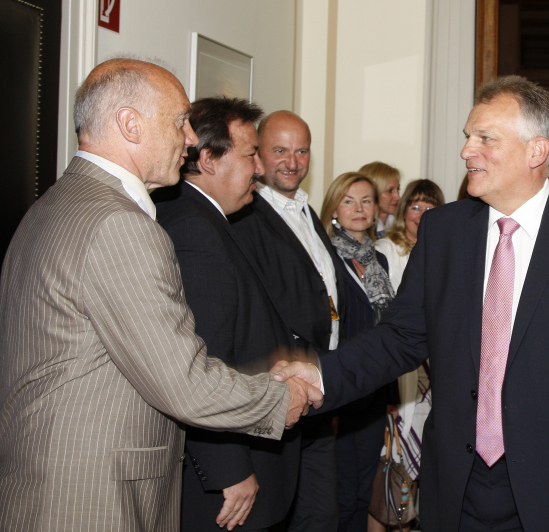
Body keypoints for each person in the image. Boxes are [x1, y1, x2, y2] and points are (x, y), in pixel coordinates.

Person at [277, 75, 549, 531]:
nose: (467, 151)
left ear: (536, 151)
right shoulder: (445, 231)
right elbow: (400, 338)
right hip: (457, 486)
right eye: (468, 137)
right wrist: (319, 374)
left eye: (485, 138)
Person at [0, 58, 320, 531]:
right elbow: (183, 382)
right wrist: (279, 400)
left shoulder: (58, 203)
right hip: (92, 496)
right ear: (129, 124)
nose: (191, 139)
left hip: (51, 480)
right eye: (178, 122)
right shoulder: (119, 225)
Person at [151, 97, 305, 531]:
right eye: (250, 153)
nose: (258, 167)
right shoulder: (195, 231)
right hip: (229, 481)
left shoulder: (212, 220)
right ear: (208, 159)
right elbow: (199, 363)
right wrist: (228, 470)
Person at [229, 109, 343, 531]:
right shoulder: (244, 214)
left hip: (318, 392)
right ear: (257, 154)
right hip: (276, 395)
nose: (292, 162)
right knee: (278, 515)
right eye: (280, 150)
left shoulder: (306, 211)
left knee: (320, 514)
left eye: (302, 151)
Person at [320, 172, 395, 532]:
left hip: (376, 387)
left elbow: (389, 330)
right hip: (341, 386)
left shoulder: (378, 260)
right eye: (349, 200)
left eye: (366, 200)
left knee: (364, 486)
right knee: (340, 490)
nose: (358, 208)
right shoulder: (325, 256)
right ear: (334, 207)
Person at [372, 179, 444, 531]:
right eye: (415, 206)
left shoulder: (447, 251)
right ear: (403, 212)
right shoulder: (387, 250)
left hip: (436, 376)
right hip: (402, 376)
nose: (422, 214)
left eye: (431, 207)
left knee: (422, 469)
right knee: (393, 468)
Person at [359, 162, 401, 238]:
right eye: (390, 191)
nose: (398, 197)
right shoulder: (362, 231)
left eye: (398, 189)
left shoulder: (400, 225)